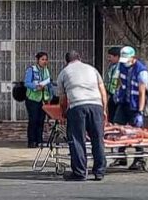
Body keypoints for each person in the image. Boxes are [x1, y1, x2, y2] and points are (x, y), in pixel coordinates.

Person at [56, 51, 108, 182]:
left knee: (77, 140)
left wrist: (63, 113)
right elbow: (102, 91)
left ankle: (79, 172)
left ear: (66, 61)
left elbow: (62, 98)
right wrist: (104, 110)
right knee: (98, 138)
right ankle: (99, 172)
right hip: (96, 106)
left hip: (77, 107)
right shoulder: (92, 69)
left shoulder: (64, 73)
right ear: (80, 58)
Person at [113, 46, 148, 170]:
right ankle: (121, 156)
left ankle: (140, 160)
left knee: (135, 132)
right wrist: (117, 93)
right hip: (124, 102)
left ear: (133, 58)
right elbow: (120, 81)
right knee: (118, 127)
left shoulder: (141, 70)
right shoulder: (122, 66)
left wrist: (140, 111)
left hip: (135, 103)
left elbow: (142, 92)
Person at [24, 52, 53, 148]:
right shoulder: (31, 70)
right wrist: (36, 86)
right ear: (38, 60)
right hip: (33, 99)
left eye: (46, 59)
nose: (44, 62)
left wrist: (50, 96)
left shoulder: (46, 70)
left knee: (41, 120)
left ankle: (39, 140)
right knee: (33, 120)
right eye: (42, 59)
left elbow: (48, 83)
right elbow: (27, 83)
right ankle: (32, 141)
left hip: (43, 99)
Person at [104, 47, 121, 123]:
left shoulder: (121, 67)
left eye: (110, 57)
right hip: (112, 95)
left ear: (117, 57)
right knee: (111, 117)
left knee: (117, 119)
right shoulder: (112, 67)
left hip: (118, 96)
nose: (108, 59)